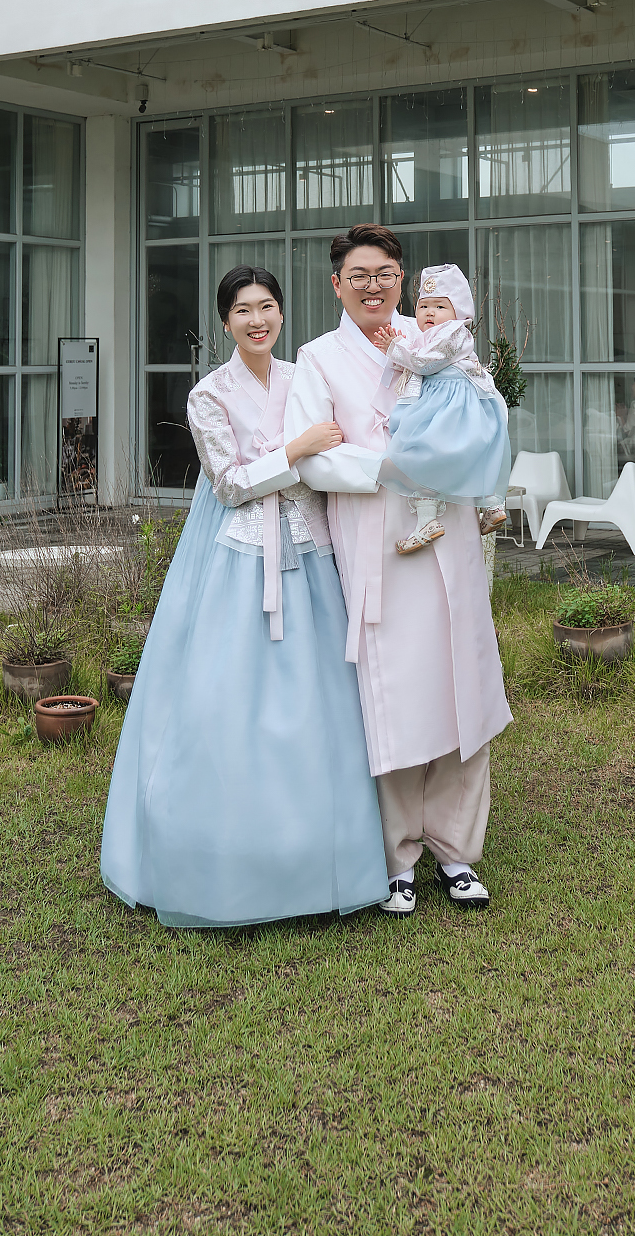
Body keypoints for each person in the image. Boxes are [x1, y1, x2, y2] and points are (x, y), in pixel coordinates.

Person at [100, 265, 389, 928]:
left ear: (281, 313)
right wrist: (297, 449)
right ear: (226, 322)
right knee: (225, 703)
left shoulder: (305, 376)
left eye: (267, 308)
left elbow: (335, 460)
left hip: (310, 552)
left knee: (322, 702)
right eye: (243, 311)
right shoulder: (209, 394)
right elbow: (229, 484)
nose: (257, 321)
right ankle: (224, 854)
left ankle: (319, 853)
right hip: (240, 558)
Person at [284, 225, 512, 918]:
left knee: (462, 685)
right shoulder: (318, 359)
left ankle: (458, 850)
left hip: (450, 534)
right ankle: (398, 856)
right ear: (337, 285)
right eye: (359, 275)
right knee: (398, 696)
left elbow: (484, 408)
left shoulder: (435, 335)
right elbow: (314, 461)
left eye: (386, 273)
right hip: (380, 542)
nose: (374, 286)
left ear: (403, 279)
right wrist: (392, 465)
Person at [372, 263, 511, 555]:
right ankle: (489, 505)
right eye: (423, 306)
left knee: (424, 459)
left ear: (459, 313)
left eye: (439, 306)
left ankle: (429, 521)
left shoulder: (453, 332)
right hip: (455, 405)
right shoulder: (436, 334)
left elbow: (425, 363)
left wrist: (395, 347)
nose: (429, 313)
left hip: (448, 406)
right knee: (464, 456)